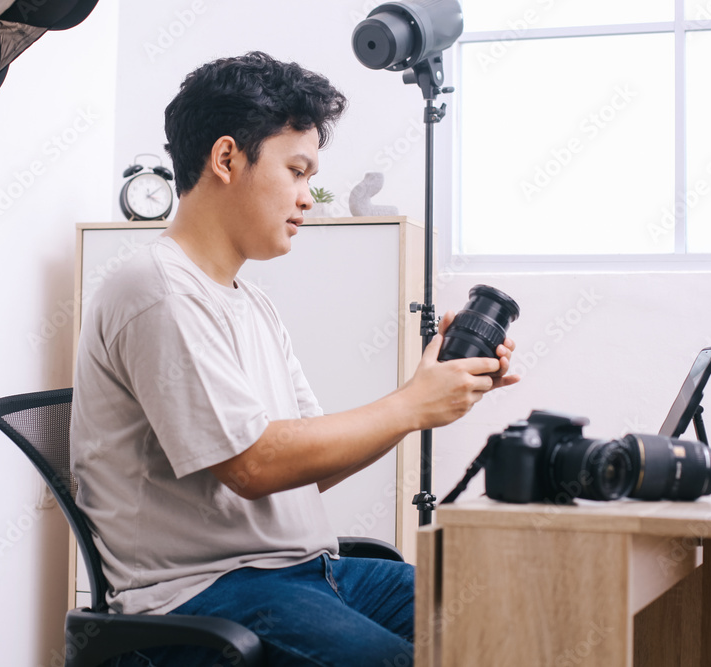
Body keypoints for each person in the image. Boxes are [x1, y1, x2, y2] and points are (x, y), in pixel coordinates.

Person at [70, 51, 518, 667]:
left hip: (309, 572)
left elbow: (307, 469)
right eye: (297, 171)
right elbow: (251, 466)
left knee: (503, 616)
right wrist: (410, 405)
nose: (307, 198)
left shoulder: (249, 302)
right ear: (226, 159)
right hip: (206, 596)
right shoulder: (158, 291)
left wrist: (424, 396)